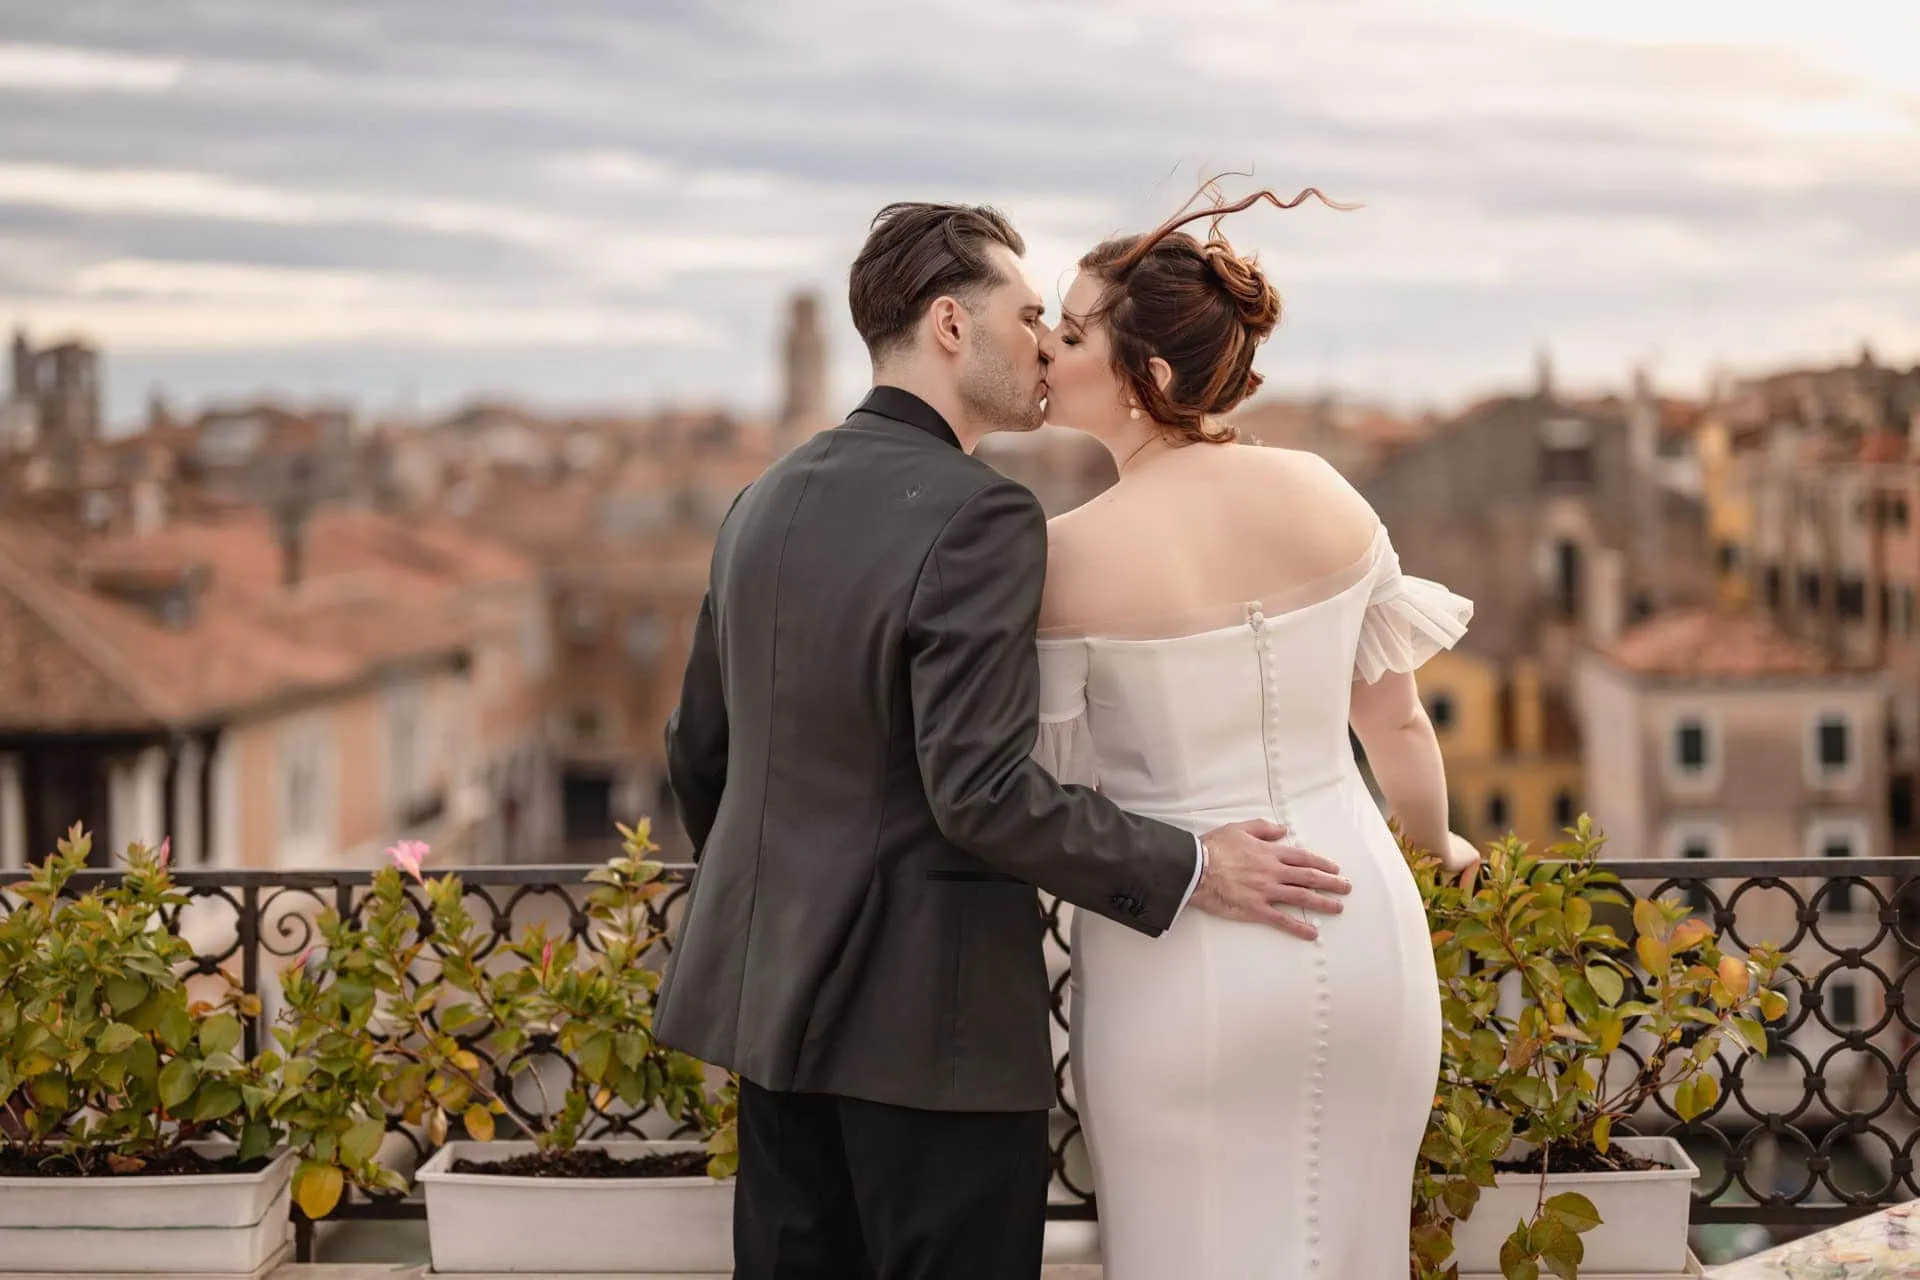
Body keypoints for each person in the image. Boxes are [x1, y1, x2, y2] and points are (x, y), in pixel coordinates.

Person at [654, 199, 1351, 1280]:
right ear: (947, 325)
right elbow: (977, 789)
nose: (1043, 341)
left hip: (770, 1023)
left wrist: (789, 902)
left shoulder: (761, 501)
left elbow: (701, 751)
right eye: (1027, 313)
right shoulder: (981, 515)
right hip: (935, 1044)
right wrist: (1197, 862)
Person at [1032, 187, 1481, 1279]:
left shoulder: (1065, 555)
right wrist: (1435, 846)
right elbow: (1400, 725)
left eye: (1074, 330)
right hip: (1368, 932)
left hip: (1179, 958)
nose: (1047, 345)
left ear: (1155, 379)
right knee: (1358, 1249)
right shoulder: (1326, 492)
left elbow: (1049, 789)